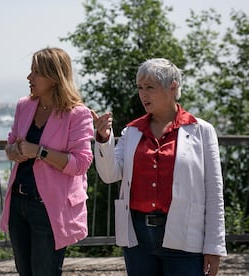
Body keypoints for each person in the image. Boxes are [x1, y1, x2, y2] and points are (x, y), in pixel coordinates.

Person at [92, 58, 227, 276]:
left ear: (172, 86)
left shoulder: (202, 131)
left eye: (150, 87)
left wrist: (214, 247)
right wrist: (103, 138)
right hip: (138, 237)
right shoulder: (131, 132)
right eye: (140, 88)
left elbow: (214, 193)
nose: (143, 94)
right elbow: (109, 175)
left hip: (185, 237)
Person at [0, 47, 94, 276]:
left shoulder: (77, 113)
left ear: (54, 77)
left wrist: (39, 151)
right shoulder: (25, 105)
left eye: (36, 72)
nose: (29, 77)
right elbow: (10, 144)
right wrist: (15, 150)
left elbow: (81, 163)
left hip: (50, 209)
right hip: (18, 204)